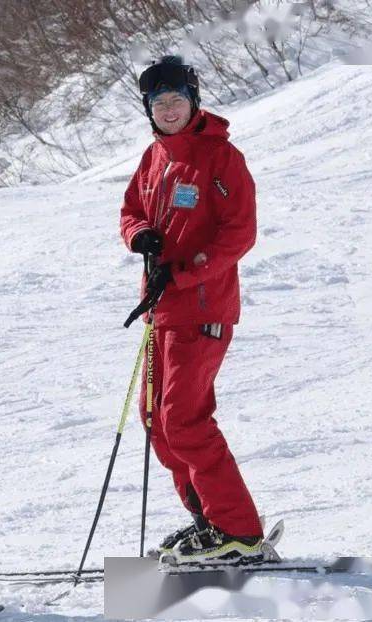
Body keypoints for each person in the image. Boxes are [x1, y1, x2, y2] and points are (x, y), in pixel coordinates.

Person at [120, 56, 262, 565]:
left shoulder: (221, 158)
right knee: (156, 419)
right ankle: (209, 523)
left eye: (177, 99)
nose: (170, 109)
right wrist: (141, 237)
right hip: (162, 311)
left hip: (201, 309)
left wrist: (184, 273)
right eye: (160, 102)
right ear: (149, 109)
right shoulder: (155, 157)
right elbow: (130, 210)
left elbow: (239, 233)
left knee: (184, 419)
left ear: (194, 100)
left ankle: (240, 532)